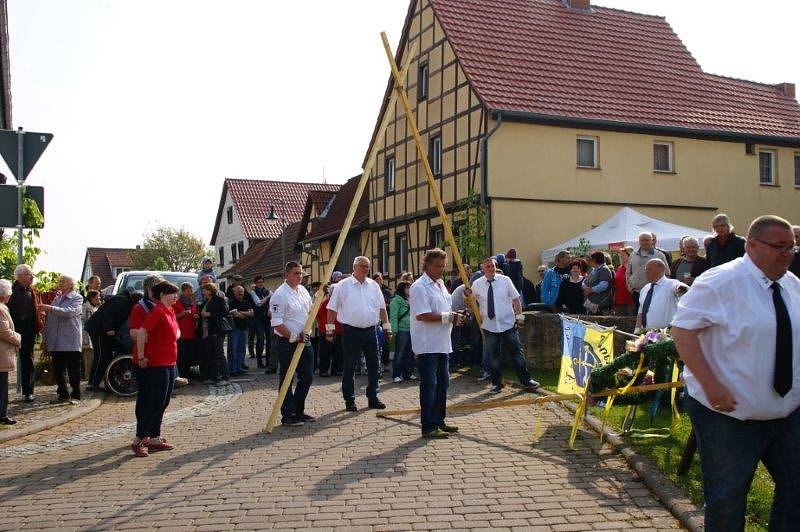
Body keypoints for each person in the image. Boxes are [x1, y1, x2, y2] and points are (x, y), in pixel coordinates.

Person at [671, 215, 800, 531]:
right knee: (728, 497)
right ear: (753, 246)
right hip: (727, 415)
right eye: (779, 247)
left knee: (796, 487)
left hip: (787, 412)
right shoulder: (719, 281)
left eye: (792, 247)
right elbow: (682, 330)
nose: (787, 253)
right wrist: (711, 384)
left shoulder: (792, 284)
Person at [410, 248, 465, 439]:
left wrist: (456, 316)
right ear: (427, 265)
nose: (441, 269)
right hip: (427, 344)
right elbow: (422, 314)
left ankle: (439, 421)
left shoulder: (441, 284)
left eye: (443, 266)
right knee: (429, 385)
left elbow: (445, 311)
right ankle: (428, 426)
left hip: (442, 343)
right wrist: (449, 317)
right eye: (437, 266)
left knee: (444, 384)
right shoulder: (419, 287)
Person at [327, 256, 391, 412]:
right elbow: (332, 308)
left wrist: (387, 327)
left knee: (374, 365)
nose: (365, 269)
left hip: (371, 330)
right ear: (354, 267)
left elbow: (382, 308)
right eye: (362, 266)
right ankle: (349, 400)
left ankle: (373, 397)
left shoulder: (374, 286)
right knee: (349, 367)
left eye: (367, 267)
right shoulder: (342, 286)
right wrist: (329, 329)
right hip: (351, 332)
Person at [471, 256, 540, 394]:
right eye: (488, 267)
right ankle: (497, 383)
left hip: (508, 324)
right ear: (482, 269)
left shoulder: (505, 280)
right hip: (489, 326)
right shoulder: (478, 284)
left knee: (517, 354)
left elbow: (516, 299)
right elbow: (470, 299)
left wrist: (519, 317)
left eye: (493, 266)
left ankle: (526, 380)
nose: (491, 269)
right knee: (494, 357)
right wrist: (466, 295)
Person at [130, 280, 180, 457]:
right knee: (155, 401)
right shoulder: (158, 310)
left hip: (169, 361)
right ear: (161, 295)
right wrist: (142, 356)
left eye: (176, 293)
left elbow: (176, 331)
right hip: (157, 362)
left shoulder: (170, 310)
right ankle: (140, 438)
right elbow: (142, 332)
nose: (175, 296)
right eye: (171, 293)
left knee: (164, 401)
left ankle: (154, 437)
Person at [270, 261, 315, 426]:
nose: (300, 276)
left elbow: (310, 311)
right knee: (287, 377)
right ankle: (288, 414)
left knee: (308, 376)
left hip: (305, 340)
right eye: (296, 273)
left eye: (301, 273)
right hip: (287, 342)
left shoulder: (302, 290)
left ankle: (298, 409)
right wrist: (294, 337)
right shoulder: (279, 295)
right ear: (287, 274)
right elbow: (276, 323)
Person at [39, 275, 84, 403]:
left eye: (63, 281)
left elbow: (69, 312)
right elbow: (50, 321)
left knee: (73, 370)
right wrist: (45, 339)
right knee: (58, 370)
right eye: (59, 281)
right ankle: (63, 394)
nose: (60, 283)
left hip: (70, 341)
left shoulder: (77, 297)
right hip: (56, 340)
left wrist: (50, 308)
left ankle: (76, 395)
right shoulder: (57, 298)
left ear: (71, 284)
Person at [84, 287, 136, 390]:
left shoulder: (123, 300)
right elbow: (109, 314)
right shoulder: (122, 300)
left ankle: (100, 382)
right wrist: (109, 328)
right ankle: (93, 384)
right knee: (100, 356)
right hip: (98, 330)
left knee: (105, 356)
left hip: (102, 330)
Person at [7, 264, 45, 402]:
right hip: (11, 330)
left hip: (28, 330)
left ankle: (28, 392)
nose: (32, 277)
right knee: (4, 359)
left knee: (28, 361)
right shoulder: (10, 291)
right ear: (20, 276)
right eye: (29, 274)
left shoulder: (33, 292)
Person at [635, 259, 687, 332]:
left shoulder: (671, 284)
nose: (646, 272)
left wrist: (681, 289)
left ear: (661, 270)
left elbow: (682, 289)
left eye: (649, 269)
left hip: (666, 335)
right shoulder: (644, 289)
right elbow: (640, 312)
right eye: (646, 269)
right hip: (647, 334)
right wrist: (636, 330)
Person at [626, 232, 669, 313]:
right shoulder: (633, 255)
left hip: (654, 292)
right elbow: (628, 272)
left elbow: (667, 273)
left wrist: (662, 289)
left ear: (652, 241)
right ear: (639, 242)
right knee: (638, 315)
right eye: (642, 240)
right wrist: (630, 287)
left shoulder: (659, 255)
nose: (644, 242)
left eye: (647, 240)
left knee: (651, 315)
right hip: (637, 292)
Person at [197, 282, 230, 385]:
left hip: (216, 330)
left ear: (210, 290)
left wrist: (210, 314)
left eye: (204, 290)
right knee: (211, 355)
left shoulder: (219, 299)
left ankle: (225, 378)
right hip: (207, 332)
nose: (203, 292)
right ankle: (214, 377)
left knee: (219, 354)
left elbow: (224, 312)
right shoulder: (206, 301)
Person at [0, 279, 21, 425]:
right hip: (2, 352)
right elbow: (4, 331)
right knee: (2, 386)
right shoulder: (1, 309)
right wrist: (18, 338)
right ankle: (2, 415)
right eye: (9, 294)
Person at [173, 283, 199, 382]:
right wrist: (182, 314)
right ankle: (181, 375)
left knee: (189, 356)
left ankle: (188, 375)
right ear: (183, 291)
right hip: (181, 334)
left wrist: (196, 316)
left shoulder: (192, 303)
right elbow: (172, 317)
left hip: (191, 333)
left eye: (191, 291)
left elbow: (195, 312)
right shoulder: (177, 303)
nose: (190, 293)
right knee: (181, 357)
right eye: (188, 291)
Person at [316, 284, 342, 377]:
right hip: (326, 330)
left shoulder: (341, 302)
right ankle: (323, 370)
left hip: (339, 330)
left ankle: (336, 370)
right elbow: (318, 314)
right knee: (325, 352)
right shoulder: (326, 302)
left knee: (338, 351)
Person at [390, 281, 413, 382]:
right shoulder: (396, 300)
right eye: (407, 288)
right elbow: (393, 316)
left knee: (409, 353)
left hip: (411, 329)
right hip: (401, 330)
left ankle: (407, 374)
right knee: (399, 353)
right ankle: (396, 375)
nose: (409, 290)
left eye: (409, 287)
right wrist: (394, 330)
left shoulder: (411, 300)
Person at [228, 285, 254, 377]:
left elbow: (251, 313)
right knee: (233, 349)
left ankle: (239, 367)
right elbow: (235, 315)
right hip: (234, 329)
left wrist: (240, 312)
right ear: (234, 292)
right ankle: (232, 369)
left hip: (243, 328)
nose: (240, 293)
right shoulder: (231, 303)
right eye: (238, 292)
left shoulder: (246, 302)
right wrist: (245, 314)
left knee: (241, 349)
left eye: (241, 292)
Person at [249, 275, 271, 369]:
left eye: (261, 282)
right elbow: (258, 303)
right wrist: (268, 297)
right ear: (255, 283)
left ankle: (268, 361)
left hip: (267, 318)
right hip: (258, 319)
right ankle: (259, 361)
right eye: (258, 282)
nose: (260, 284)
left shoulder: (267, 291)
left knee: (269, 339)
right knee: (260, 339)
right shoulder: (253, 292)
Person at [80, 290, 101, 379]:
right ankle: (88, 374)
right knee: (88, 356)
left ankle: (91, 374)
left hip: (93, 335)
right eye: (97, 297)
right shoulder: (86, 307)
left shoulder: (96, 307)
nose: (99, 298)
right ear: (92, 298)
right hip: (87, 335)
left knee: (92, 356)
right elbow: (83, 321)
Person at [614, 246, 635, 316]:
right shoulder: (619, 268)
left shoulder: (634, 268)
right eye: (620, 254)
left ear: (630, 255)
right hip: (619, 301)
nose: (621, 256)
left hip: (630, 302)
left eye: (623, 254)